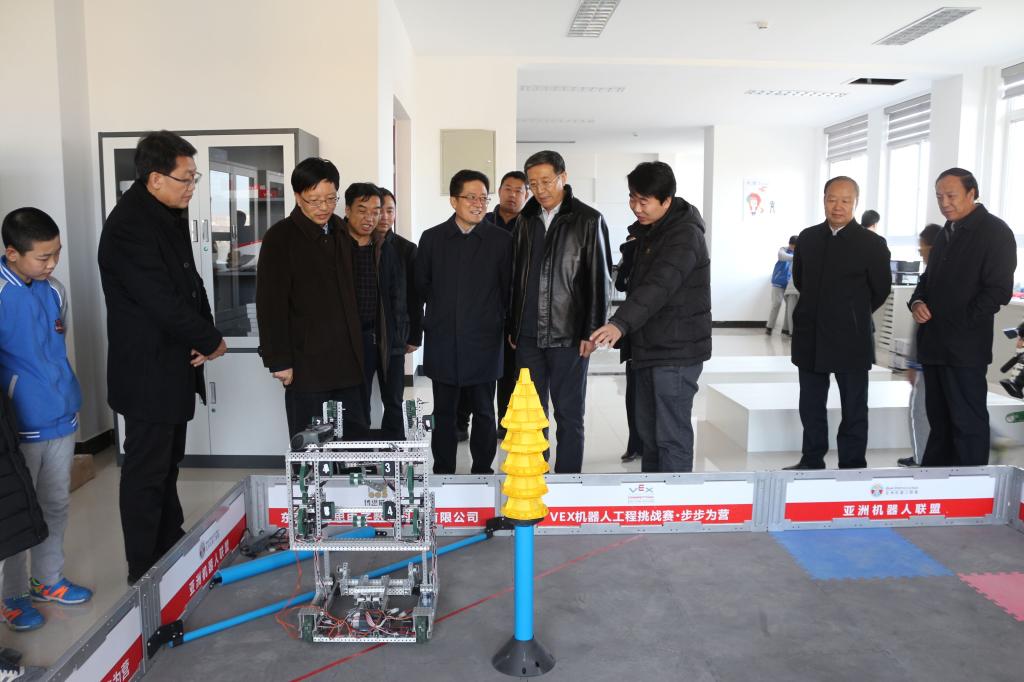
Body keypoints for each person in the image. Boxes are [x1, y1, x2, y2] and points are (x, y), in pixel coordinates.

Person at [98, 130, 227, 583]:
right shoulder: (129, 226)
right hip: (147, 369)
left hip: (172, 361)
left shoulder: (164, 213)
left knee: (167, 462)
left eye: (194, 178)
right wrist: (209, 339)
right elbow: (160, 300)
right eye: (186, 178)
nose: (192, 187)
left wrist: (205, 333)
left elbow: (190, 282)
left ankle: (169, 540)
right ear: (155, 178)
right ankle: (143, 566)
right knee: (146, 469)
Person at [0, 208, 91, 631]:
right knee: (17, 515)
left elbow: (58, 348)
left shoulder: (54, 290)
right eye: (43, 257)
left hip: (60, 417)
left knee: (55, 504)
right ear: (12, 253)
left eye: (57, 253)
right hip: (18, 426)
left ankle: (48, 580)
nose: (52, 263)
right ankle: (12, 596)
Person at [591, 161, 711, 473]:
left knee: (671, 435)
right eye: (632, 198)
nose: (636, 207)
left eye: (644, 201)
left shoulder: (685, 235)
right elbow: (633, 283)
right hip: (647, 347)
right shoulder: (650, 231)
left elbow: (659, 286)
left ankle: (674, 499)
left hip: (676, 350)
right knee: (649, 435)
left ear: (666, 200)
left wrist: (619, 323)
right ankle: (653, 496)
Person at [509, 150, 611, 474]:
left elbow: (600, 279)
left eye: (546, 181)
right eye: (533, 183)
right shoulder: (525, 219)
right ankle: (534, 476)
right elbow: (516, 276)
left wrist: (592, 331)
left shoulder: (588, 219)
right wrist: (513, 325)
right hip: (527, 335)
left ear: (563, 178)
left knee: (568, 413)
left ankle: (569, 481)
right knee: (531, 413)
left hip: (569, 334)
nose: (540, 189)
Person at [256, 159, 370, 440]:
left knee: (354, 442)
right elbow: (270, 305)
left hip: (348, 361)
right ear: (298, 196)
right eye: (314, 200)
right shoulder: (280, 237)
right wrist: (278, 360)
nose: (324, 207)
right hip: (307, 363)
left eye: (330, 199)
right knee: (310, 444)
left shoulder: (341, 231)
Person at [911, 168, 1017, 466]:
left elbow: (998, 292)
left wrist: (960, 324)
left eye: (951, 195)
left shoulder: (995, 233)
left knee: (967, 424)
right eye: (939, 197)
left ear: (972, 193)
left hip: (965, 349)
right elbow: (927, 280)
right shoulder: (946, 232)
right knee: (939, 423)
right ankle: (936, 482)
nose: (944, 203)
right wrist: (917, 301)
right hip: (934, 345)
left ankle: (971, 486)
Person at [784, 176, 891, 471]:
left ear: (855, 203)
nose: (838, 206)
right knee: (811, 404)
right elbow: (801, 280)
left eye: (845, 200)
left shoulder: (872, 244)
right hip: (811, 334)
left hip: (851, 337)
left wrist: (852, 313)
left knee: (854, 406)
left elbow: (880, 289)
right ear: (824, 200)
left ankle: (852, 465)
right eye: (832, 199)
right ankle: (811, 459)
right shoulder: (808, 238)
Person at [416, 170, 511, 474]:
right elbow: (420, 289)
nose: (478, 203)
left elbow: (509, 292)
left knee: (484, 410)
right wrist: (419, 330)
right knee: (444, 412)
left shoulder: (501, 241)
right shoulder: (432, 239)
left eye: (483, 198)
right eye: (471, 197)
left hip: (484, 341)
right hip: (443, 340)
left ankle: (483, 471)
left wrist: (504, 328)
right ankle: (443, 471)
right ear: (454, 200)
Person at [457, 170, 530, 440]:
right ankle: (461, 421)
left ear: (527, 195)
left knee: (510, 372)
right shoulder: (482, 221)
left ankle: (505, 424)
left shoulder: (530, 226)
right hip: (481, 311)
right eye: (507, 189)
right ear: (498, 192)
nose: (512, 195)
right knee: (473, 371)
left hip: (513, 310)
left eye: (519, 190)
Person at [340, 183, 407, 436]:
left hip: (384, 335)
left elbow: (398, 295)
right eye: (362, 210)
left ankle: (395, 454)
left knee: (395, 401)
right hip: (350, 340)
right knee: (355, 405)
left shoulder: (385, 247)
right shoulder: (335, 246)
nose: (370, 218)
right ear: (347, 210)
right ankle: (359, 456)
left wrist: (402, 334)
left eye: (376, 212)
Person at [375, 188, 419, 439]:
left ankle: (393, 449)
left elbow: (415, 296)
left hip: (395, 336)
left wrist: (414, 335)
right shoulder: (355, 245)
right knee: (356, 399)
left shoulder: (406, 249)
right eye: (379, 210)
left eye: (390, 210)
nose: (384, 216)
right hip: (364, 336)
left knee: (393, 398)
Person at [897, 223, 941, 468]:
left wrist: (913, 363)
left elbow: (920, 325)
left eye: (921, 246)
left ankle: (921, 459)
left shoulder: (931, 278)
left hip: (927, 358)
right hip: (947, 358)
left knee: (919, 412)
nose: (919, 251)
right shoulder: (949, 273)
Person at [616, 234, 642, 464]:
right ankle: (635, 443)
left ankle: (649, 444)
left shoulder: (673, 244)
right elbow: (620, 284)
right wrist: (629, 250)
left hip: (663, 338)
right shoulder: (632, 248)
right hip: (635, 332)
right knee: (633, 394)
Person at [766, 237, 796, 336]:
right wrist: (797, 257)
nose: (793, 248)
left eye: (795, 246)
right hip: (778, 282)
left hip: (790, 284)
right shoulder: (783, 249)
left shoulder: (799, 251)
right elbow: (782, 256)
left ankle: (785, 329)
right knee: (777, 304)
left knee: (790, 307)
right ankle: (769, 327)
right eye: (792, 245)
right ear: (789, 244)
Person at [782, 237, 800, 340]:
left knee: (791, 311)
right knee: (793, 311)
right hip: (796, 287)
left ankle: (792, 332)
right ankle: (792, 332)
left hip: (793, 287)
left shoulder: (795, 255)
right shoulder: (797, 255)